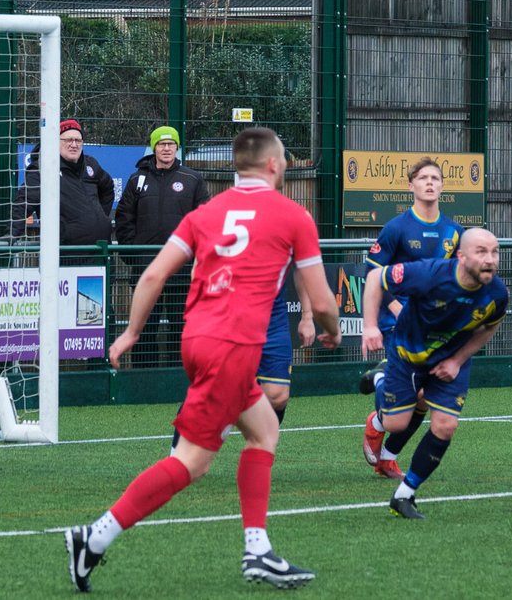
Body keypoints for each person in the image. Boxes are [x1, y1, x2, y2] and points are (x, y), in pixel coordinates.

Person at [66, 127, 341, 592]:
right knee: (192, 463)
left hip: (196, 339)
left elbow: (152, 275)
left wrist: (131, 332)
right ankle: (94, 537)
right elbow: (322, 300)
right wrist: (331, 329)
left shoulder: (207, 212)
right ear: (274, 165)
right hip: (232, 347)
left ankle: (258, 548)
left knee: (264, 430)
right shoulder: (294, 215)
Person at [361, 227, 508, 520]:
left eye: (495, 252)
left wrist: (457, 360)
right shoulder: (429, 274)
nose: (490, 259)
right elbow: (376, 277)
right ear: (461, 256)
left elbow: (490, 326)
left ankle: (404, 495)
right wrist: (370, 326)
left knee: (445, 426)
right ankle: (380, 379)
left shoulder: (497, 294)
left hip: (449, 361)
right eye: (481, 252)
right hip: (407, 357)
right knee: (396, 424)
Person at [358, 158, 462, 479]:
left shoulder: (454, 232)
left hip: (433, 326)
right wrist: (394, 308)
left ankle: (388, 457)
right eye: (423, 178)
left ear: (442, 186)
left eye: (435, 178)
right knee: (405, 400)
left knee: (425, 397)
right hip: (399, 322)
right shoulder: (397, 228)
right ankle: (380, 396)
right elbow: (372, 274)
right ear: (411, 185)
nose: (430, 182)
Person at [113, 125, 210, 366]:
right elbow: (124, 219)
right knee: (145, 327)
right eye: (161, 144)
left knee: (182, 326)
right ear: (154, 148)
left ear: (177, 147)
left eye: (171, 144)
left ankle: (180, 375)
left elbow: (205, 220)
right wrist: (134, 256)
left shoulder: (193, 179)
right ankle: (144, 377)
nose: (166, 148)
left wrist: (195, 257)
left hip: (182, 269)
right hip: (146, 267)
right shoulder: (136, 180)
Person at [19, 119, 113, 245]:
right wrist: (11, 235)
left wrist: (101, 217)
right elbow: (23, 203)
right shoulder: (43, 169)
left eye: (78, 140)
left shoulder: (91, 164)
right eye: (68, 140)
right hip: (67, 252)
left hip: (101, 249)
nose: (74, 145)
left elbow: (108, 188)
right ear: (56, 142)